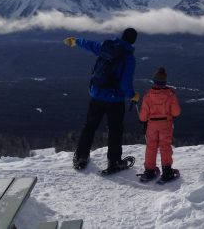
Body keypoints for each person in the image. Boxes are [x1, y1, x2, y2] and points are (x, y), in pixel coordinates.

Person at [63, 27, 139, 172]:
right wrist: (133, 95)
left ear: (122, 36)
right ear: (133, 41)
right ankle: (114, 161)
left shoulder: (107, 47)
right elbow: (125, 83)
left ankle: (81, 157)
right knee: (115, 130)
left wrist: (75, 41)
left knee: (90, 126)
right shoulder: (129, 58)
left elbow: (91, 44)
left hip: (96, 95)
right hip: (115, 100)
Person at [138, 67, 181, 182]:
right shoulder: (170, 95)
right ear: (165, 82)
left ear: (154, 81)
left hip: (151, 125)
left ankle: (149, 171)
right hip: (165, 124)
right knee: (165, 146)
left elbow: (142, 117)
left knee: (151, 147)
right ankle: (167, 171)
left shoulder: (148, 96)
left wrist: (145, 120)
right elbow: (176, 112)